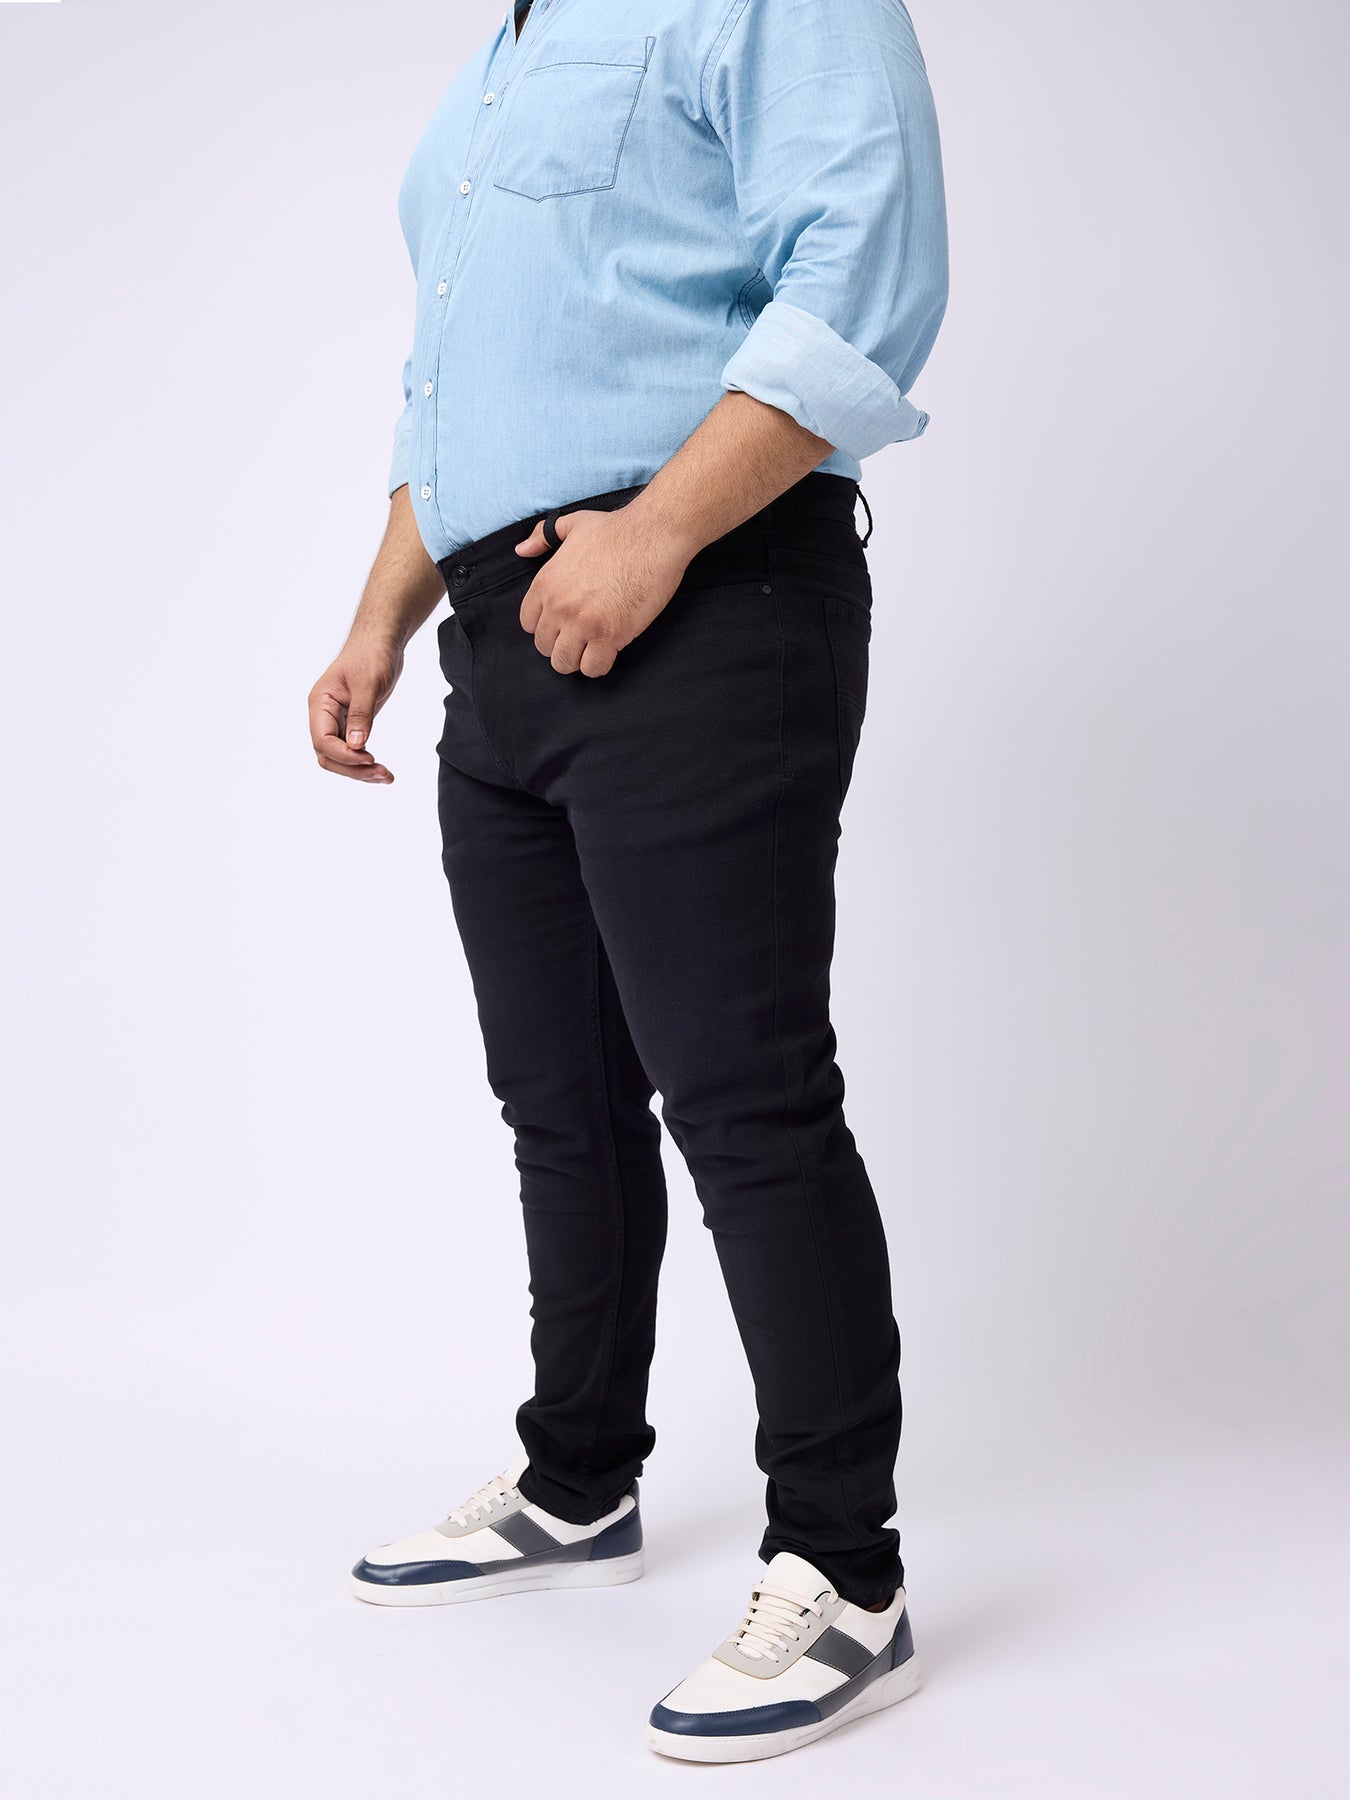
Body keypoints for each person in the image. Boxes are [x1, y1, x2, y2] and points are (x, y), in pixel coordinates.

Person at [307, 0, 947, 1763]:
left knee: (742, 1100)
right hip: (501, 637)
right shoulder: (502, 59)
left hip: (703, 601)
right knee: (561, 1103)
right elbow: (457, 388)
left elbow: (863, 278)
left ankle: (846, 1571)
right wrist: (380, 622)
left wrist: (657, 533)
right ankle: (575, 1480)